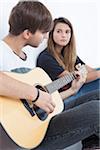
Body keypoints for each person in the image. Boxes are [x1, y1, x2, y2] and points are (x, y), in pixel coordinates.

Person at [0, 2, 99, 150]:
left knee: (97, 95)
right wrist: (36, 94)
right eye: (43, 32)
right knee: (97, 110)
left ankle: (92, 144)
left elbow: (44, 98)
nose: (46, 37)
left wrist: (72, 90)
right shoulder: (2, 51)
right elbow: (37, 95)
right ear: (27, 34)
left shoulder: (28, 57)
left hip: (43, 119)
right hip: (26, 136)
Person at [37, 17, 100, 109]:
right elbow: (77, 78)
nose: (64, 35)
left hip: (77, 87)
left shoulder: (69, 54)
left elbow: (89, 70)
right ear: (51, 34)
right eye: (59, 31)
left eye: (67, 32)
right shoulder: (46, 58)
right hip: (64, 97)